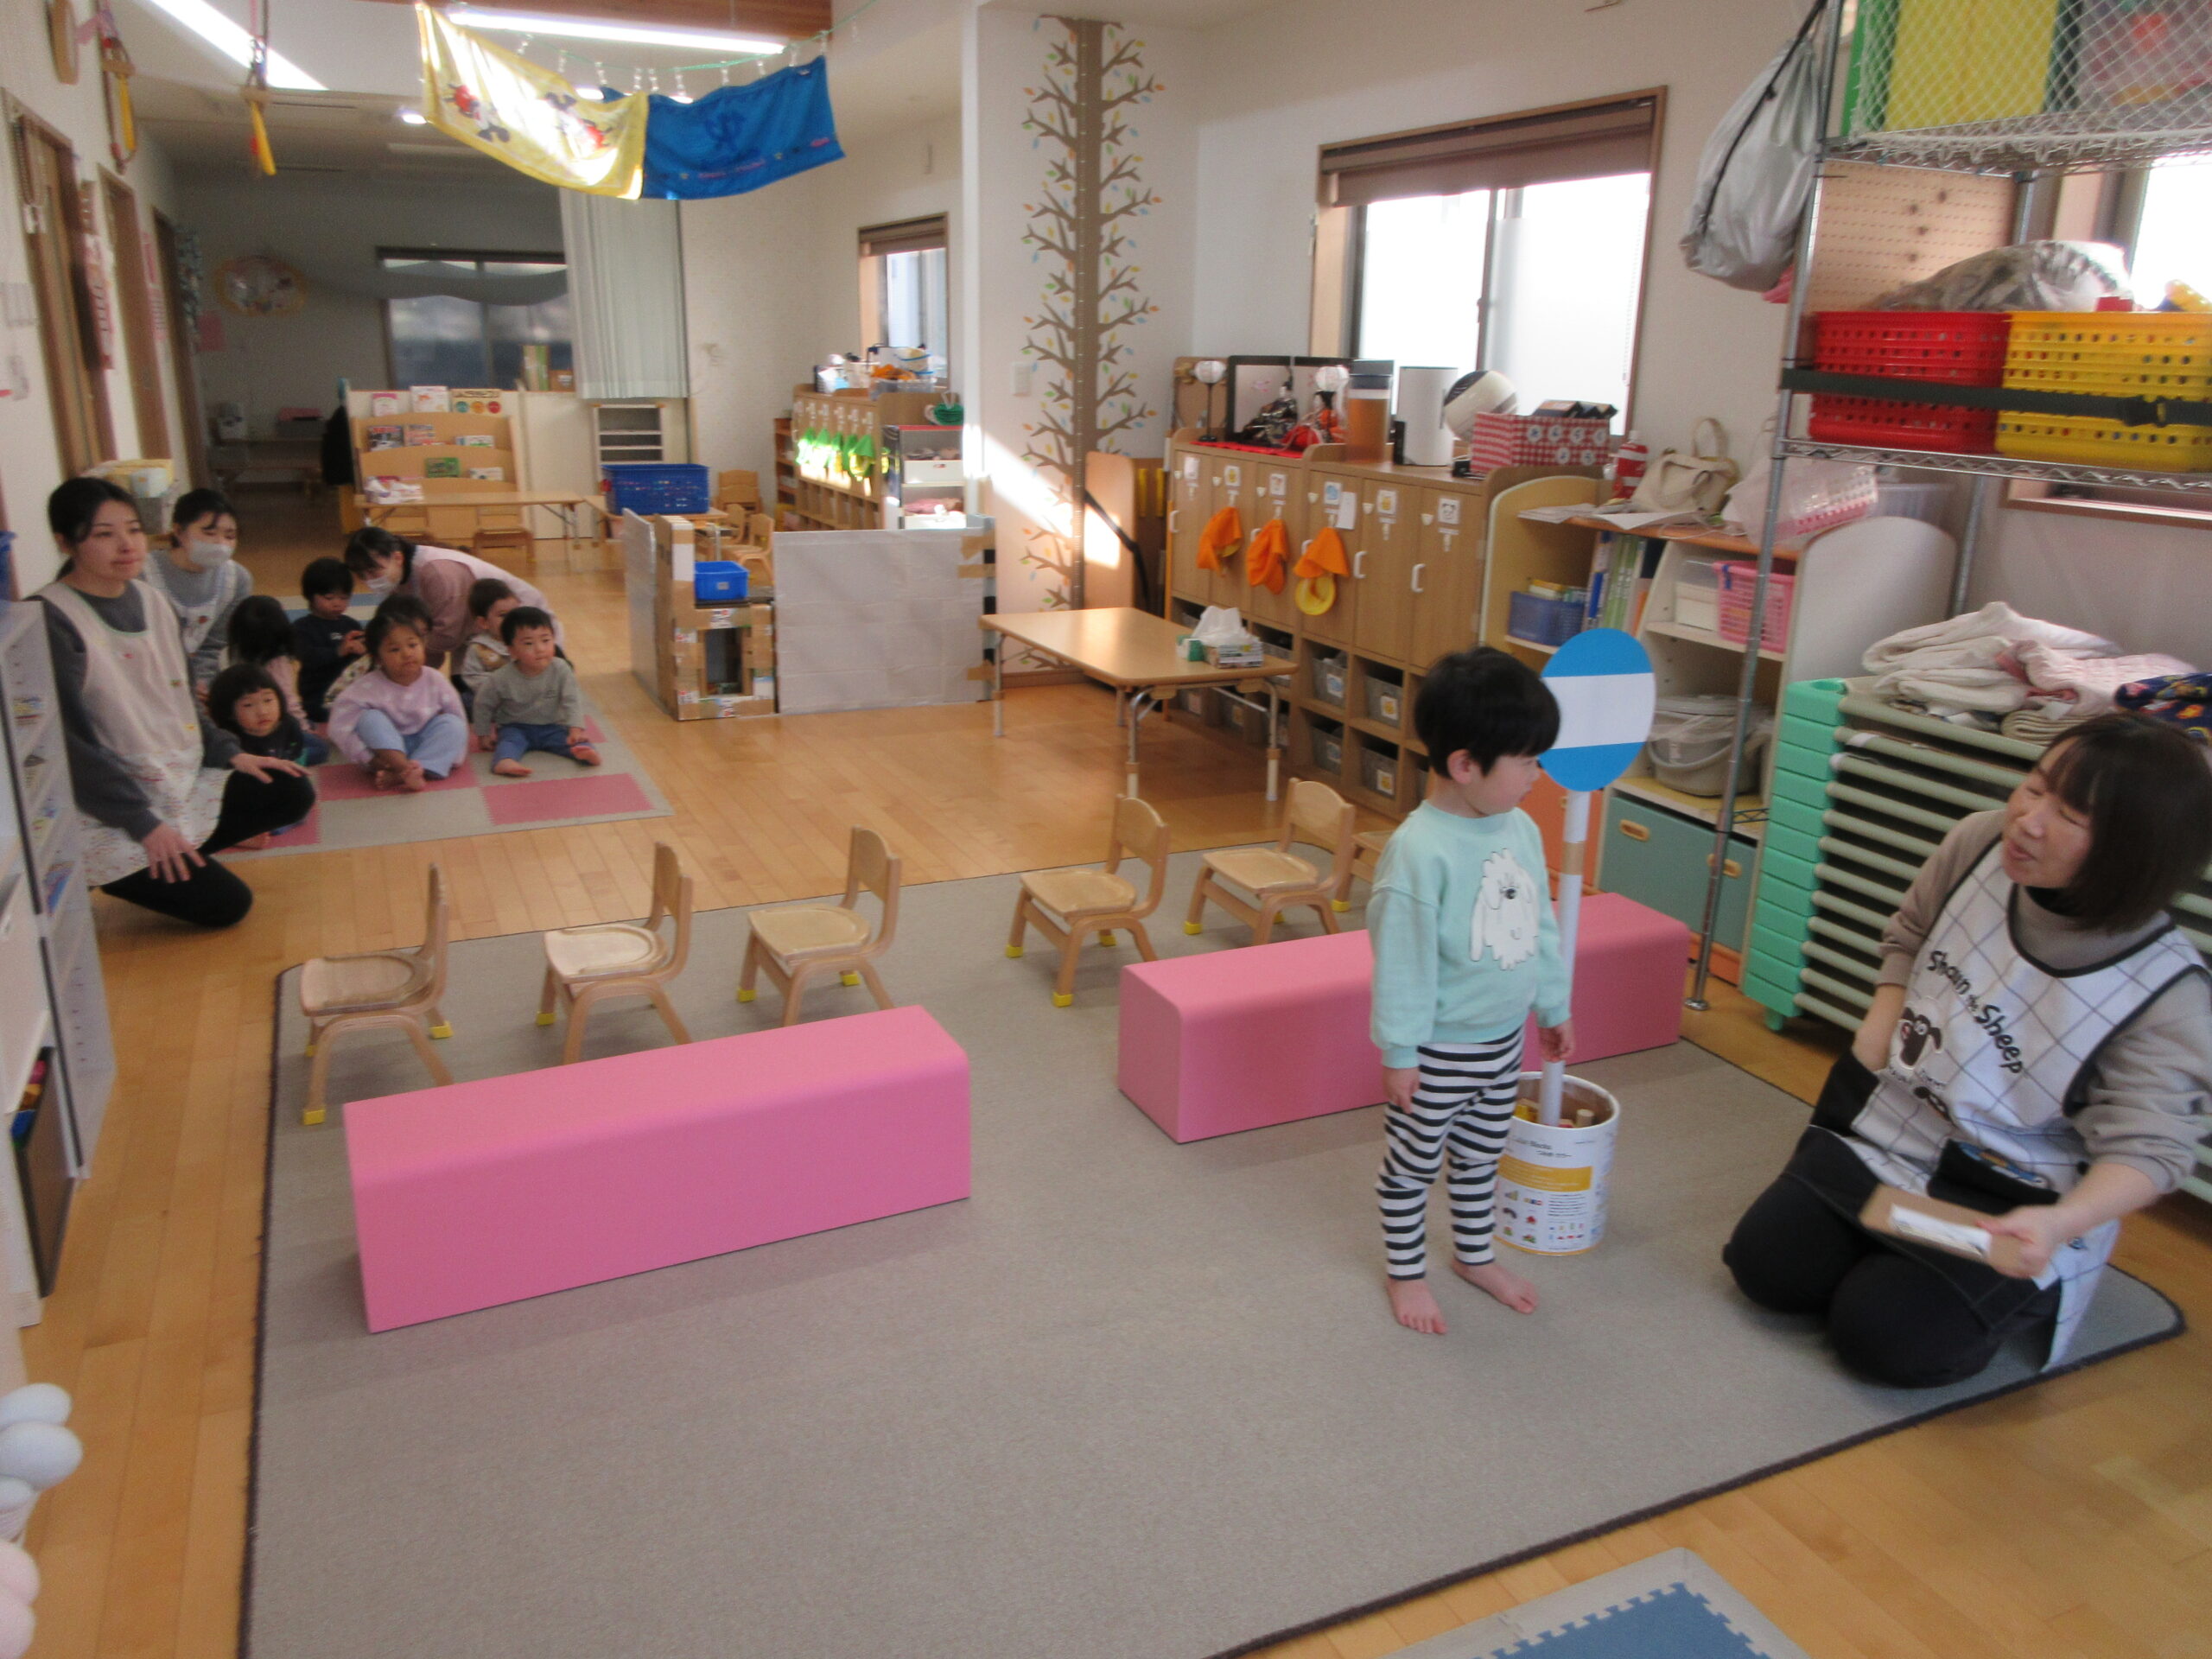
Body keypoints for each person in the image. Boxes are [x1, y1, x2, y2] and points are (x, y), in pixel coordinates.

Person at [1726, 713, 2212, 1387]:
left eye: (2069, 815)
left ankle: (1999, 1292)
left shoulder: (2165, 991)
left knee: (1884, 1339)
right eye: (2035, 787)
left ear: (2132, 851)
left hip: (2013, 1193)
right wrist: (1881, 1022)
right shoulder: (1979, 841)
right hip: (1893, 1130)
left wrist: (2061, 1224)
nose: (2028, 821)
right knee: (1766, 1270)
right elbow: (1910, 930)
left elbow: (2151, 1150)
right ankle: (1889, 1261)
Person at [1370, 646, 1574, 1335]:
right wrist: (1401, 1052)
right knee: (1413, 1167)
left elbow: (1538, 925)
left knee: (1483, 1157)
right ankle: (1406, 1273)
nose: (1537, 777)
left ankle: (1474, 1255)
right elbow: (1402, 962)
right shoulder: (1418, 851)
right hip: (1439, 1052)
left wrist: (1553, 1004)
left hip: (1503, 1042)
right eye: (1528, 762)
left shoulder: (1519, 828)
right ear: (1465, 765)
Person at [36, 479, 313, 928]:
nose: (127, 545)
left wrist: (231, 753)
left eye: (133, 529)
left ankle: (174, 856)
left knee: (290, 788)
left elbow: (182, 697)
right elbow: (68, 748)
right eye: (104, 534)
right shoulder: (53, 619)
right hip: (109, 809)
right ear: (64, 542)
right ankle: (128, 869)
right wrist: (144, 825)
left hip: (178, 779)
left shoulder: (153, 600)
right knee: (228, 906)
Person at [341, 527, 555, 671]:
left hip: (523, 626)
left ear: (397, 557)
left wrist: (398, 660)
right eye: (362, 575)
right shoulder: (400, 576)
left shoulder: (437, 572)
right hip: (474, 634)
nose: (369, 580)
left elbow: (446, 636)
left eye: (373, 571)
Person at [327, 607, 468, 791]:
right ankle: (404, 769)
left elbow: (457, 715)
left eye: (413, 645)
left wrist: (454, 755)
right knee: (369, 719)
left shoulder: (435, 679)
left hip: (424, 743)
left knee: (453, 724)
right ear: (378, 658)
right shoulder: (367, 686)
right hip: (385, 753)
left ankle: (405, 774)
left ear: (423, 645)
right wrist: (368, 758)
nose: (407, 654)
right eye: (394, 649)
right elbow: (338, 726)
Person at [142, 488, 252, 690]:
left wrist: (201, 683)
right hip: (149, 677)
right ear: (179, 531)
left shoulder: (237, 580)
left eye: (230, 536)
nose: (220, 543)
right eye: (209, 533)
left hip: (199, 680)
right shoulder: (143, 574)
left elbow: (213, 646)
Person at [470, 606, 599, 776]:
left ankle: (586, 754)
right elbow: (483, 703)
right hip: (516, 727)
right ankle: (504, 761)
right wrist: (483, 733)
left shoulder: (561, 669)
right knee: (508, 742)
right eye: (529, 643)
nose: (540, 648)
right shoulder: (500, 678)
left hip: (553, 725)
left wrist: (576, 730)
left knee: (574, 742)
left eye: (545, 640)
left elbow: (572, 700)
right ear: (512, 650)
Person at [205, 664, 319, 846]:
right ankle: (240, 837)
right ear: (229, 713)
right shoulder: (229, 740)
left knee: (303, 799)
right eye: (248, 705)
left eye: (268, 700)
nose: (262, 711)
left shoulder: (289, 725)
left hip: (271, 790)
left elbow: (295, 759)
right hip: (236, 801)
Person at [225, 595, 328, 763]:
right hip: (270, 724)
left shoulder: (233, 654)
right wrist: (302, 728)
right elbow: (288, 702)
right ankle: (278, 759)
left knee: (311, 724)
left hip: (240, 723)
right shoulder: (277, 662)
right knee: (320, 749)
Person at [291, 556, 363, 722]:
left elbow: (362, 664)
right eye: (329, 598)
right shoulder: (302, 628)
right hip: (317, 698)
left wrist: (364, 651)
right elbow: (307, 658)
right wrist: (338, 651)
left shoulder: (352, 625)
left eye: (344, 598)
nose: (337, 604)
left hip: (351, 695)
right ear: (310, 596)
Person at [454, 578, 520, 705]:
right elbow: (472, 677)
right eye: (503, 615)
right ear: (484, 622)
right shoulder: (479, 647)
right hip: (492, 698)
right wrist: (500, 682)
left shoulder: (524, 641)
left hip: (523, 695)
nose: (512, 620)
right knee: (466, 699)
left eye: (515, 613)